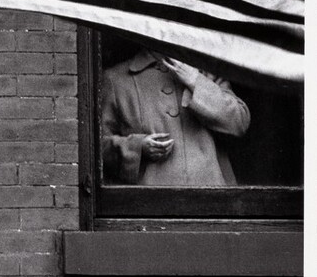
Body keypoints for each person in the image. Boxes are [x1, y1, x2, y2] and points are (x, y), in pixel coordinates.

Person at [101, 49, 250, 186]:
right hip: (151, 203)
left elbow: (240, 122)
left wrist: (196, 82)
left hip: (211, 199)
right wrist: (137, 147)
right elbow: (96, 146)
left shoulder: (206, 71)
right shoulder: (116, 79)